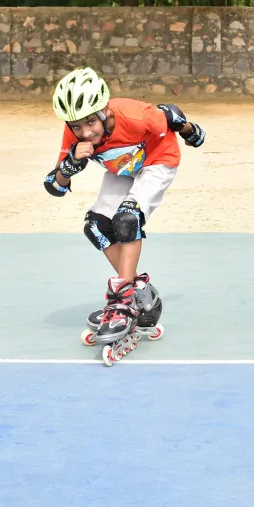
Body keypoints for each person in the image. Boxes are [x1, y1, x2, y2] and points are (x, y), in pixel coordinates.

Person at [44, 68, 204, 365]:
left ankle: (123, 300)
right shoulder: (75, 132)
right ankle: (138, 293)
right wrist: (69, 165)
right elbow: (54, 186)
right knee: (96, 226)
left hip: (158, 161)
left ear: (105, 110)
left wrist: (190, 131)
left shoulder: (136, 116)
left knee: (128, 219)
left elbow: (171, 116)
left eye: (91, 122)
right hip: (123, 169)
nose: (86, 132)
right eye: (77, 126)